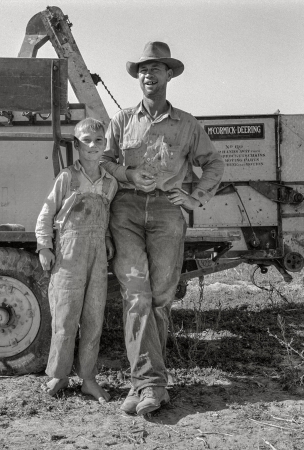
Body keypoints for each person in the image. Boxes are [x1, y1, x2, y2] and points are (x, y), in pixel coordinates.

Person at [101, 41, 225, 415]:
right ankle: (150, 384)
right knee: (136, 295)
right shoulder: (122, 120)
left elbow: (214, 164)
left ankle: (146, 383)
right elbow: (104, 160)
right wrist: (127, 173)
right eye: (142, 69)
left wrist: (196, 197)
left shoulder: (187, 124)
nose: (147, 74)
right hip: (125, 212)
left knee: (160, 298)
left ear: (169, 75)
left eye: (155, 68)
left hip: (169, 215)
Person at [35, 117, 118, 402]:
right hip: (69, 254)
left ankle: (89, 379)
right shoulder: (67, 178)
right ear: (77, 145)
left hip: (97, 257)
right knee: (65, 315)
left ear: (105, 144)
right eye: (86, 140)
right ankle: (58, 375)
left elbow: (106, 220)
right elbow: (46, 214)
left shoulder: (110, 184)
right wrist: (44, 246)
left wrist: (106, 241)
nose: (93, 146)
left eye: (98, 140)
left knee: (93, 317)